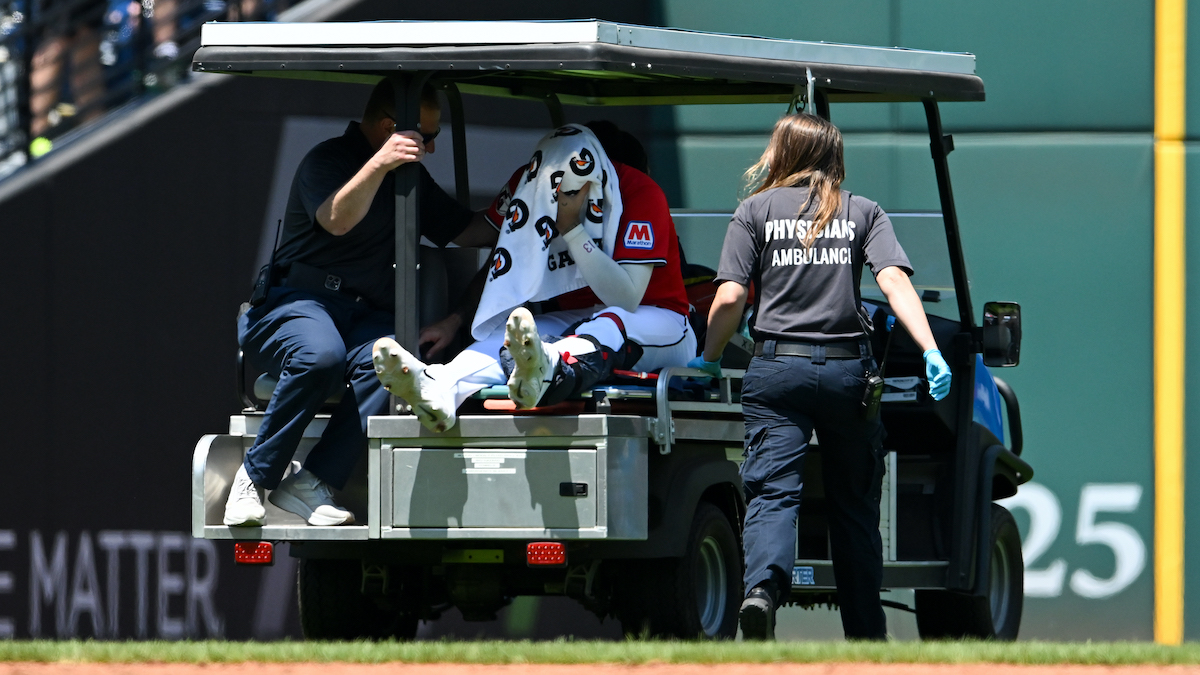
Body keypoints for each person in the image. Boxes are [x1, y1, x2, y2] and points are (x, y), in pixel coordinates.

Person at [689, 114, 953, 640]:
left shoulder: (754, 211)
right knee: (854, 505)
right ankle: (866, 635)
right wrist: (931, 349)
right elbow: (894, 283)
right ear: (835, 156)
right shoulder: (862, 211)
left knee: (773, 494)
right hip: (847, 373)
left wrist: (710, 356)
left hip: (776, 371)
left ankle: (762, 592)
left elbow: (731, 296)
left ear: (782, 152)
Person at [223, 80, 493, 527]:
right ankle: (253, 478)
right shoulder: (328, 160)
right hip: (294, 304)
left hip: (361, 315)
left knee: (395, 363)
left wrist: (527, 210)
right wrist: (381, 163)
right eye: (426, 136)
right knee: (320, 355)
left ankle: (312, 482)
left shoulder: (410, 175)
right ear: (390, 128)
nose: (431, 147)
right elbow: (337, 219)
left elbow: (466, 231)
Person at [371, 123, 695, 432]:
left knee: (611, 322)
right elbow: (497, 250)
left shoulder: (638, 190)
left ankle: (547, 367)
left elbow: (626, 298)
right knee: (512, 333)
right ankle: (439, 386)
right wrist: (399, 177)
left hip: (660, 318)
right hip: (579, 317)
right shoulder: (533, 180)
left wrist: (571, 228)